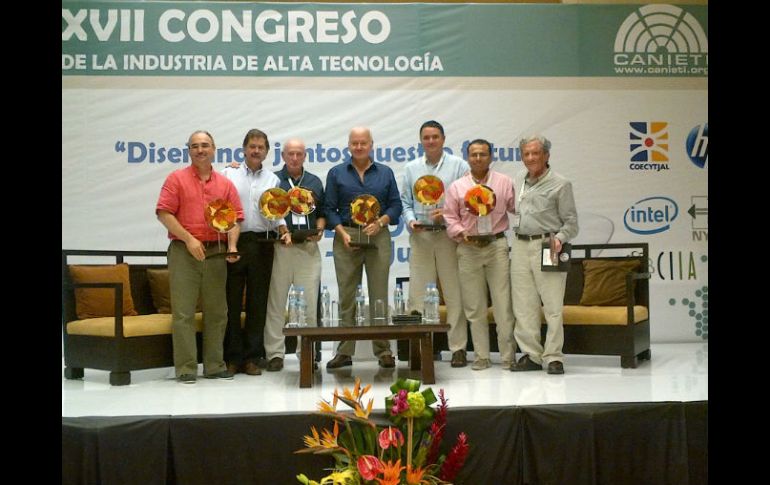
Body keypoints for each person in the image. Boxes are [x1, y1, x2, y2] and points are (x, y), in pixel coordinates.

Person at [155, 130, 243, 384]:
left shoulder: (225, 184)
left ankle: (214, 365)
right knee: (183, 313)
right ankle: (186, 368)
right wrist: (188, 239)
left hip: (216, 252)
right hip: (184, 251)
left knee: (217, 311)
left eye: (205, 145)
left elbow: (236, 218)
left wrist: (232, 245)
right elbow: (164, 213)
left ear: (214, 149)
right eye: (195, 146)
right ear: (189, 151)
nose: (200, 150)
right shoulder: (176, 179)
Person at [323, 127, 402, 369]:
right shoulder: (336, 173)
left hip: (377, 235)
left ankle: (384, 350)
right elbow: (329, 209)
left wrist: (381, 222)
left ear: (371, 145)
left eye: (363, 143)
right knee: (347, 295)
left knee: (379, 294)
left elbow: (395, 206)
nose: (359, 147)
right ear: (348, 145)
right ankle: (344, 351)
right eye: (354, 143)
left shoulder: (385, 172)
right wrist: (342, 233)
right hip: (346, 235)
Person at [400, 120, 470, 367]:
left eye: (435, 137)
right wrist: (411, 221)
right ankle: (421, 348)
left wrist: (448, 214)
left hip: (448, 237)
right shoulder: (411, 168)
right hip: (421, 236)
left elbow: (466, 202)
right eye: (426, 137)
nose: (431, 141)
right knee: (417, 295)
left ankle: (458, 348)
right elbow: (406, 202)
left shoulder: (459, 166)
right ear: (421, 141)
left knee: (453, 293)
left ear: (443, 139)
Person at [443, 139, 516, 371]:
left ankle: (508, 356)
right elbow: (449, 216)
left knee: (503, 305)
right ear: (467, 157)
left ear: (490, 156)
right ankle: (481, 356)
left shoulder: (504, 182)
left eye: (482, 154)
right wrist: (460, 232)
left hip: (496, 246)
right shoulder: (457, 187)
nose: (478, 158)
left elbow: (517, 208)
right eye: (473, 154)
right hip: (469, 248)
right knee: (474, 307)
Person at [221, 129, 289, 376]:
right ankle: (232, 358)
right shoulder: (227, 174)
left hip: (262, 243)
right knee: (231, 301)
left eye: (261, 147)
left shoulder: (273, 180)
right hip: (233, 242)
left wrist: (284, 229)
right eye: (252, 146)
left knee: (257, 303)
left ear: (267, 152)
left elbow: (278, 212)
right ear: (244, 149)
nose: (256, 150)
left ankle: (252, 357)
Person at [510, 135, 578, 375]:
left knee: (552, 304)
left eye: (535, 153)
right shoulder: (518, 179)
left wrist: (560, 238)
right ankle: (532, 355)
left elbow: (571, 223)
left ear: (546, 155)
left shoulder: (561, 183)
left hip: (548, 246)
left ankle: (554, 356)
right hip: (520, 245)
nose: (530, 158)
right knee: (523, 304)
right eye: (526, 154)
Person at [263, 138, 326, 372]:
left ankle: (307, 353)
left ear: (305, 156)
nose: (295, 158)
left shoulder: (314, 181)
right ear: (283, 156)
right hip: (282, 247)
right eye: (290, 153)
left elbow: (322, 212)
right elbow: (268, 211)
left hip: (308, 248)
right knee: (277, 302)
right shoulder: (273, 180)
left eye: (299, 153)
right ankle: (274, 354)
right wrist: (282, 230)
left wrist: (319, 230)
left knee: (309, 303)